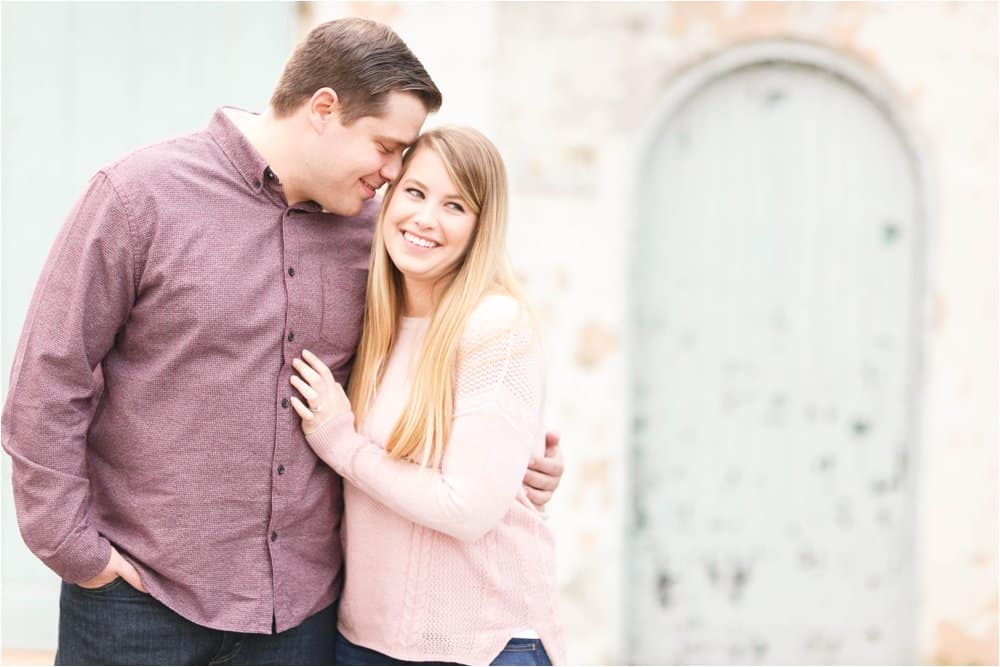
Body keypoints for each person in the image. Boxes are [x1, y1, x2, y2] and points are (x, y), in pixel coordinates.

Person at [1, 18, 564, 666]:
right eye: (385, 146)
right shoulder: (139, 196)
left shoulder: (380, 235)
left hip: (301, 619)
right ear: (324, 109)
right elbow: (48, 379)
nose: (391, 171)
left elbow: (442, 353)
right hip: (141, 602)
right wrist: (75, 549)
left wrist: (512, 455)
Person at [287, 126, 565, 666]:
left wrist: (340, 444)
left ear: (480, 228)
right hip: (365, 642)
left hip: (477, 646)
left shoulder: (493, 325)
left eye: (454, 205)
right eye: (414, 193)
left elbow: (468, 509)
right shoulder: (376, 320)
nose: (425, 219)